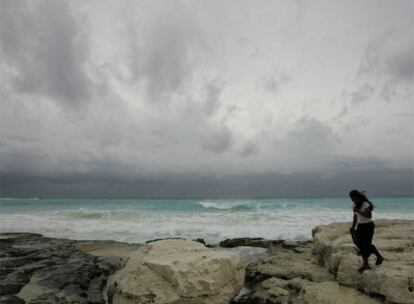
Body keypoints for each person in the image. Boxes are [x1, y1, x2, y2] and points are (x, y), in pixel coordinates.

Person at [349, 189, 384, 273]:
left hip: (368, 226)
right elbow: (355, 217)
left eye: (354, 198)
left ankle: (379, 257)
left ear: (357, 196)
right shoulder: (354, 204)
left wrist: (358, 210)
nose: (353, 200)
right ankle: (366, 264)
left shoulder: (365, 204)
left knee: (367, 245)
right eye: (351, 199)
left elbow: (369, 216)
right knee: (361, 245)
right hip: (360, 226)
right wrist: (353, 227)